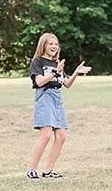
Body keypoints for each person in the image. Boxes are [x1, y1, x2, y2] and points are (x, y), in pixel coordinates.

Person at [27, 33, 91, 179]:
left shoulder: (57, 64)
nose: (54, 47)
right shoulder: (38, 61)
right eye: (50, 44)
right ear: (43, 45)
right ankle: (32, 169)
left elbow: (66, 83)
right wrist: (55, 72)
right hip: (45, 97)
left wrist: (76, 72)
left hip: (57, 98)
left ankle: (48, 170)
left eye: (56, 44)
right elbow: (39, 82)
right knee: (46, 135)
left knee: (61, 135)